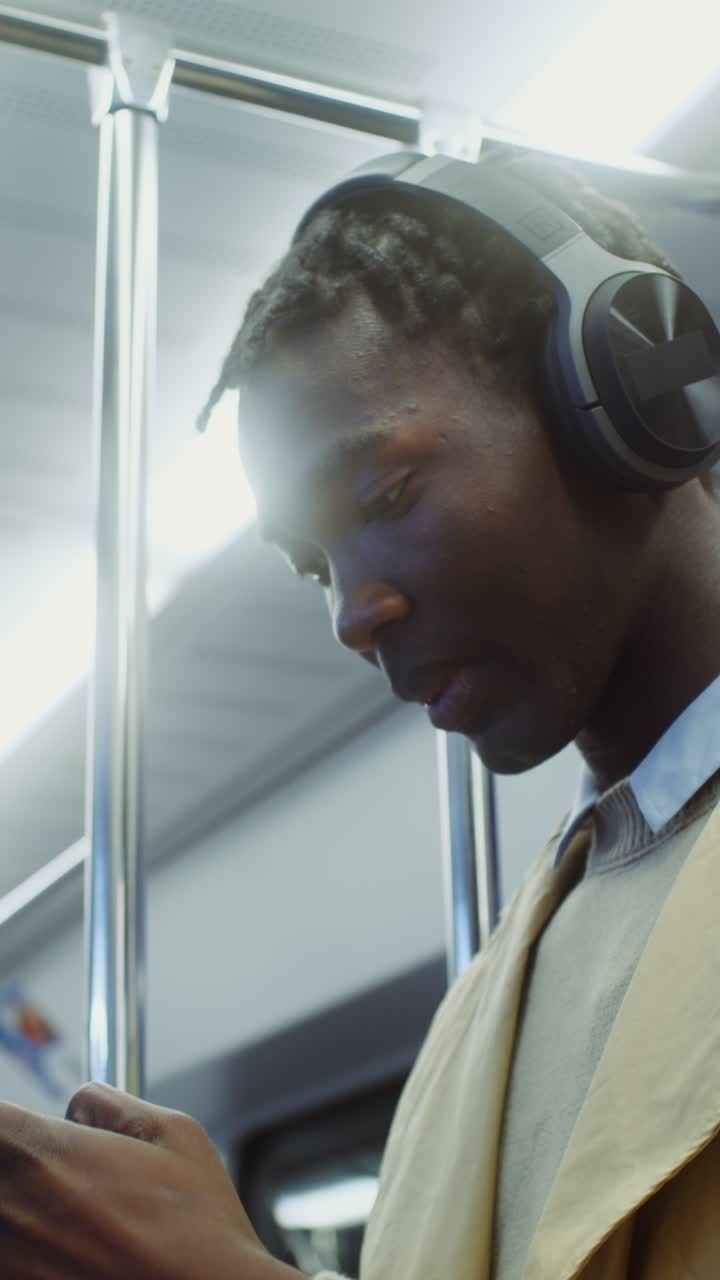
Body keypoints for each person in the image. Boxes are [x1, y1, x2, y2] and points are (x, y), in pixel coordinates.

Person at [2, 148, 720, 1279]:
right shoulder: (484, 1008)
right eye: (311, 567)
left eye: (382, 493)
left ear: (639, 394)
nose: (350, 613)